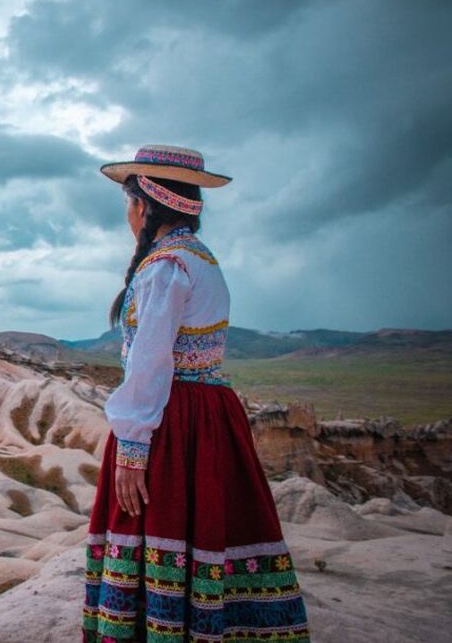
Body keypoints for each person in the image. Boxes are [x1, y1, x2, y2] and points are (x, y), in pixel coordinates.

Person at [80, 145, 310, 642]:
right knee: (202, 528)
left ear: (144, 206)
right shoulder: (201, 259)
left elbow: (150, 364)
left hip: (172, 420)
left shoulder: (165, 267)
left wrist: (132, 451)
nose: (127, 214)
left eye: (129, 203)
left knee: (153, 521)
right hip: (206, 416)